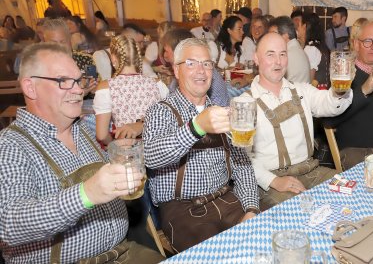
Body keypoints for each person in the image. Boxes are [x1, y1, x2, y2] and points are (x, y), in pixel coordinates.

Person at [0, 42, 164, 263]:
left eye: (78, 80)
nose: (78, 89)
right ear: (30, 87)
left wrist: (118, 153)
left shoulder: (81, 129)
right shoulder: (11, 146)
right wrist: (86, 194)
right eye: (63, 81)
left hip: (123, 250)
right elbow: (10, 225)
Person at [143, 38, 259, 252]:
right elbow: (152, 156)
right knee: (220, 256)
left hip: (227, 199)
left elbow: (243, 167)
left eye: (206, 64)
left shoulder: (221, 111)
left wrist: (251, 208)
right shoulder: (161, 111)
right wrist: (196, 127)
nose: (201, 70)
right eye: (191, 63)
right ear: (176, 71)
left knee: (268, 240)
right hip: (185, 212)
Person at [242, 32, 353, 210]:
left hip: (312, 170)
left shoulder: (302, 91)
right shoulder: (244, 103)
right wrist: (273, 181)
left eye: (282, 54)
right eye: (270, 54)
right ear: (256, 58)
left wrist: (340, 91)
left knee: (351, 193)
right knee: (302, 213)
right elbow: (242, 158)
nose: (278, 61)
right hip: (272, 181)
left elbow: (331, 105)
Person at [323, 19, 373, 170]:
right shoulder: (344, 76)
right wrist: (363, 90)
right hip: (358, 154)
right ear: (356, 44)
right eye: (367, 41)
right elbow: (328, 120)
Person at [93, 35, 164, 145]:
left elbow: (102, 135)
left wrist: (115, 146)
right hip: (158, 150)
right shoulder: (157, 83)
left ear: (113, 59)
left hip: (127, 152)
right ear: (138, 57)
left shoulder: (105, 87)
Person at [162, 29, 229, 107]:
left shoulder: (208, 78)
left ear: (177, 50)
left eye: (166, 51)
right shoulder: (160, 111)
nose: (165, 55)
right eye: (191, 64)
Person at [269, 16, 311, 84]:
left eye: (273, 34)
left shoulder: (287, 54)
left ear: (286, 35)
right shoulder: (295, 48)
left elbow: (272, 82)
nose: (269, 39)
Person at [301, 13, 330, 88]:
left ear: (305, 27)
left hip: (316, 92)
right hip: (324, 89)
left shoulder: (311, 49)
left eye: (299, 26)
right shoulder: (320, 45)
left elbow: (310, 78)